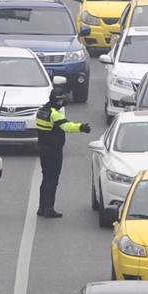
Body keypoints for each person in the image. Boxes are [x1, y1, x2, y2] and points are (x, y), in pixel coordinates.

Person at [35, 87, 91, 218]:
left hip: (42, 149)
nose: (62, 102)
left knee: (45, 178)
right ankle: (49, 209)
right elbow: (67, 126)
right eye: (61, 100)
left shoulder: (41, 110)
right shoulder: (55, 114)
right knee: (52, 180)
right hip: (54, 150)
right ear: (56, 100)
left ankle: (41, 207)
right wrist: (81, 127)